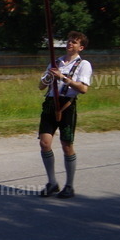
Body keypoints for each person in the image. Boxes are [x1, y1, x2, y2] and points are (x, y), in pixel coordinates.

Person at [37, 32, 92, 199]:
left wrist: (63, 78)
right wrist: (49, 76)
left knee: (66, 145)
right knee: (44, 143)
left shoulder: (83, 64)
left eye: (74, 42)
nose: (70, 44)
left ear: (80, 47)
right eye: (69, 41)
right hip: (50, 104)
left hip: (67, 105)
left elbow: (83, 89)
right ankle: (52, 182)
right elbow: (40, 86)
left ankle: (69, 185)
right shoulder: (56, 62)